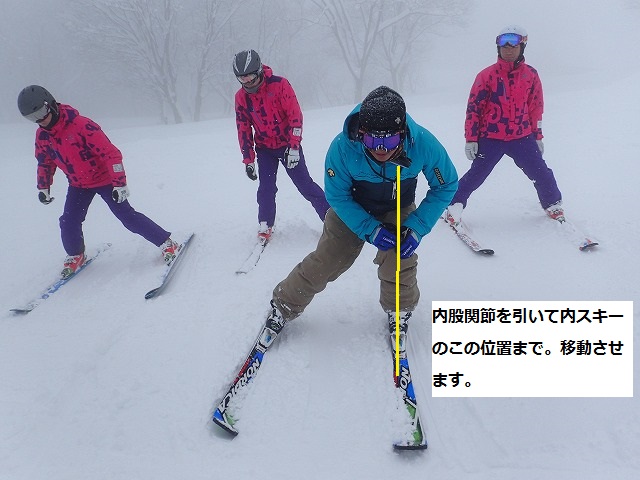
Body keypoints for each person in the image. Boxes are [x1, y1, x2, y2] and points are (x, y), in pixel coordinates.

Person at [259, 86, 458, 353]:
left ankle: (399, 309)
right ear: (361, 133)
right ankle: (284, 304)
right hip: (351, 208)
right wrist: (369, 229)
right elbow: (337, 196)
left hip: (398, 206)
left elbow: (446, 184)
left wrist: (417, 227)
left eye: (389, 141)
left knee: (400, 258)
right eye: (372, 141)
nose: (381, 149)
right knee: (327, 261)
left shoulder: (422, 143)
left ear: (402, 133)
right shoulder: (342, 148)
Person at [17, 85, 179, 278]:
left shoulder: (82, 125)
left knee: (127, 217)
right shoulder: (42, 136)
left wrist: (119, 183)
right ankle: (76, 255)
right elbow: (45, 162)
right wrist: (43, 187)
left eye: (41, 112)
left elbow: (111, 154)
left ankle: (167, 243)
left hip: (105, 180)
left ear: (50, 104)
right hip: (78, 184)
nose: (40, 120)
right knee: (68, 221)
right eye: (32, 117)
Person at [444, 25, 564, 227]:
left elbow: (536, 107)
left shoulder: (530, 75)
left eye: (513, 46)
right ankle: (453, 206)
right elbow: (474, 109)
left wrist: (537, 136)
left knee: (541, 172)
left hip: (522, 137)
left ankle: (553, 204)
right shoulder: (486, 76)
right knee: (476, 175)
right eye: (504, 46)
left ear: (522, 47)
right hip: (491, 137)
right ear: (498, 48)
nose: (508, 50)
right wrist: (471, 139)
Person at [232, 49, 330, 242]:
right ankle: (265, 223)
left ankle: (333, 219)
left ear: (259, 70)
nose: (247, 81)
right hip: (265, 149)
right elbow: (243, 129)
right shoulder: (241, 97)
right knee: (266, 189)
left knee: (305, 185)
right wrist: (248, 160)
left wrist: (294, 147)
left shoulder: (280, 85)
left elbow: (295, 116)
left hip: (287, 146)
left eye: (250, 76)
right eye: (242, 78)